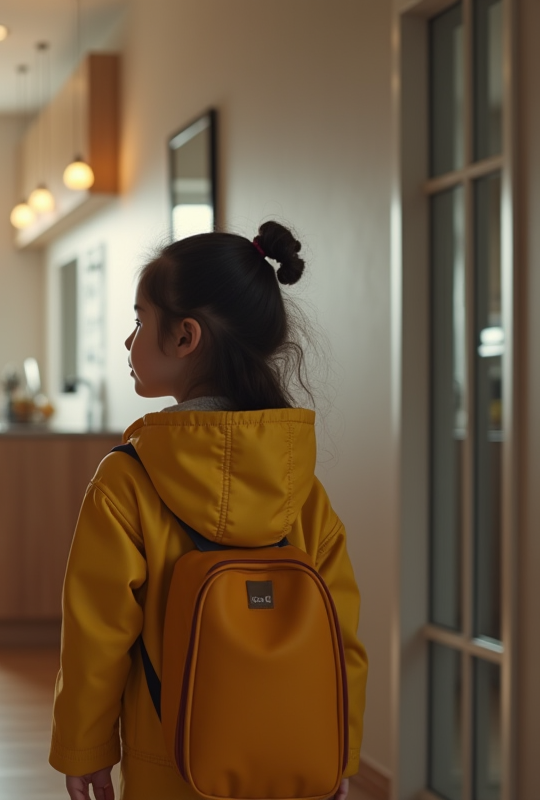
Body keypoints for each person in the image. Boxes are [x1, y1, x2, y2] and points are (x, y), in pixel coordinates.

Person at [49, 222, 367, 800]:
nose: (129, 340)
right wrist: (338, 751)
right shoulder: (302, 487)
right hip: (290, 760)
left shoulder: (128, 478)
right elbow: (340, 634)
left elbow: (97, 633)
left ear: (184, 337)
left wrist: (86, 747)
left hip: (169, 763)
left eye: (140, 320)